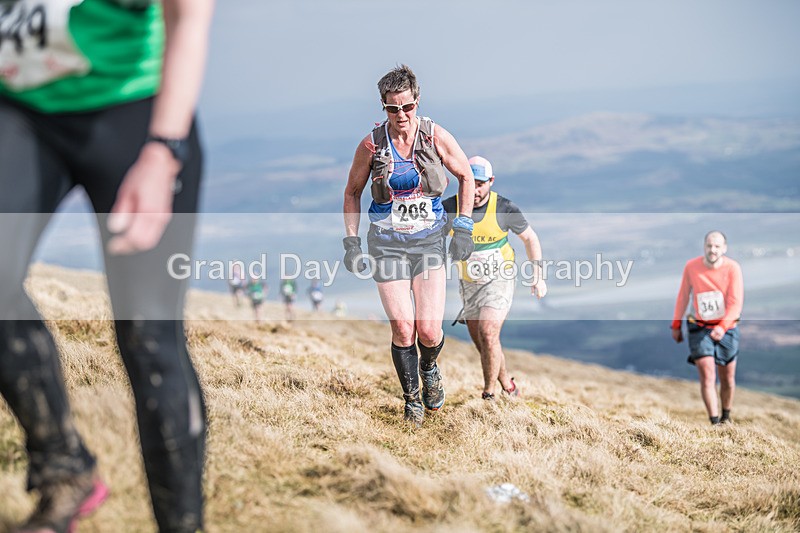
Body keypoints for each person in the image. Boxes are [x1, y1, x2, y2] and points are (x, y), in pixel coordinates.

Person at [0, 1, 214, 531]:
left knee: (148, 337)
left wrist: (164, 151)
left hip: (133, 108)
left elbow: (189, 15)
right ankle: (64, 469)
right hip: (19, 105)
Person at [342, 65, 475, 425]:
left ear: (418, 101)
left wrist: (463, 226)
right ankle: (412, 399)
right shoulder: (372, 144)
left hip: (429, 240)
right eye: (392, 108)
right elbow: (352, 192)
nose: (401, 115)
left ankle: (429, 367)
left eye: (407, 107)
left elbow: (465, 175)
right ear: (383, 106)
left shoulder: (435, 136)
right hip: (386, 242)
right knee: (403, 327)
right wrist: (351, 241)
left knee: (428, 331)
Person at [443, 156, 547, 400]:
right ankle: (507, 385)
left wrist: (538, 276)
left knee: (488, 332)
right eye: (471, 183)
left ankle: (489, 395)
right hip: (469, 283)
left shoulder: (504, 208)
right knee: (483, 342)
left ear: (491, 181)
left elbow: (530, 238)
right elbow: (430, 238)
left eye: (480, 184)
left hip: (500, 278)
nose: (475, 190)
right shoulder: (450, 208)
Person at [671, 231, 744, 425]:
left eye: (717, 246)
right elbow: (683, 297)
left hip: (727, 328)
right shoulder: (691, 267)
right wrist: (676, 324)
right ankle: (714, 422)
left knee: (727, 378)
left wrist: (722, 326)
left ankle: (726, 417)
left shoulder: (733, 268)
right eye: (709, 246)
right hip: (700, 328)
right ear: (704, 247)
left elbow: (735, 303)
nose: (713, 250)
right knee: (707, 374)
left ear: (724, 249)